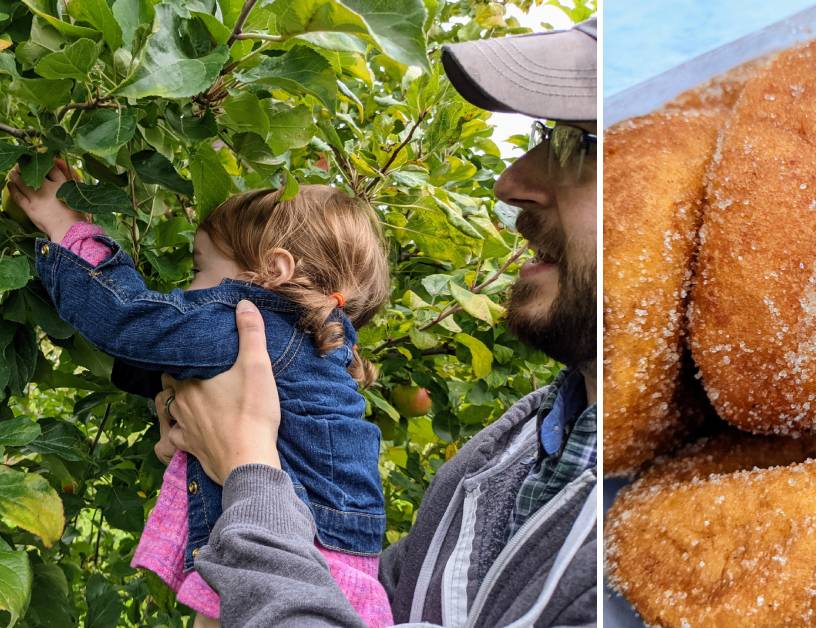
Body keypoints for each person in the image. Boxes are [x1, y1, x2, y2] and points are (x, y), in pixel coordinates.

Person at [156, 18, 598, 627]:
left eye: (584, 144)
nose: (511, 182)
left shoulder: (702, 551)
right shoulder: (509, 455)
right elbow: (364, 607)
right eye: (545, 133)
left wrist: (248, 473)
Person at [4, 170, 396, 626]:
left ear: (272, 272)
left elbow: (127, 319)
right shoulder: (312, 354)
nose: (185, 292)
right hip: (325, 564)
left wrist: (68, 229)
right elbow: (161, 372)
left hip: (279, 553)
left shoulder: (251, 321)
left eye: (199, 271)